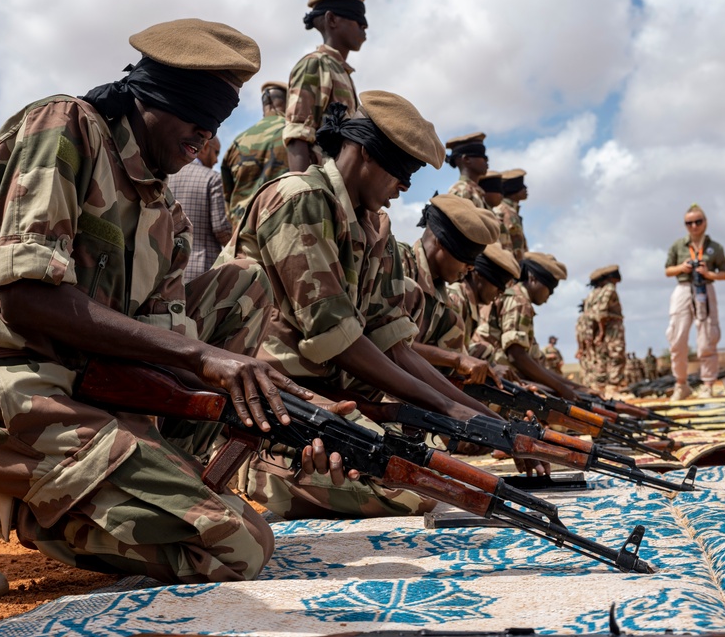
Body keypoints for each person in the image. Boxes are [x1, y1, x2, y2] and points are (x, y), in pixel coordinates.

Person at [0, 19, 350, 605]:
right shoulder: (63, 127)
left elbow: (167, 363)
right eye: (197, 121)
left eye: (213, 126)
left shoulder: (165, 208)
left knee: (242, 287)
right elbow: (25, 297)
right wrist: (202, 355)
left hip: (88, 386)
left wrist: (292, 407)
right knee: (234, 546)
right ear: (155, 99)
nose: (204, 140)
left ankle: (106, 477)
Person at [222, 91, 526, 519]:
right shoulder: (300, 201)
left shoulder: (374, 228)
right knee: (419, 489)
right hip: (276, 409)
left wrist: (489, 423)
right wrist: (446, 406)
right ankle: (259, 477)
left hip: (334, 404)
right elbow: (337, 338)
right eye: (401, 172)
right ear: (365, 152)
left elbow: (394, 345)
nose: (404, 189)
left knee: (436, 467)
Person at [398, 195, 501, 385]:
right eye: (466, 258)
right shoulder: (396, 264)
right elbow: (382, 342)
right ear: (440, 242)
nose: (470, 268)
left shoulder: (447, 310)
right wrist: (454, 359)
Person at [474, 252, 581, 401]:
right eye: (549, 288)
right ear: (533, 278)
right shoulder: (519, 301)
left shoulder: (517, 298)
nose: (549, 295)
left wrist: (576, 388)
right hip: (499, 384)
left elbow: (536, 365)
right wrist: (562, 389)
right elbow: (517, 356)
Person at [284, 0, 365, 172]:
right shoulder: (315, 65)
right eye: (356, 18)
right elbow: (298, 134)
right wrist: (303, 192)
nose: (364, 25)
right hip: (320, 184)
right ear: (332, 19)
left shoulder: (341, 71)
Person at [665, 204, 725, 400]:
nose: (694, 226)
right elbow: (667, 270)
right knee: (677, 337)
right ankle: (681, 384)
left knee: (707, 336)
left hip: (705, 288)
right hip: (683, 288)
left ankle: (708, 384)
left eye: (698, 222)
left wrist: (708, 273)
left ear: (705, 222)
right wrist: (682, 268)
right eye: (689, 223)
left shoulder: (715, 247)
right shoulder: (678, 246)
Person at [221, 81, 289, 227]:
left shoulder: (238, 142)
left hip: (243, 234)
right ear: (288, 103)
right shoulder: (296, 138)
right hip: (284, 229)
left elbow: (227, 197)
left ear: (264, 105)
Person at [167, 136, 231, 282]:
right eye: (216, 153)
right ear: (206, 147)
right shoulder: (212, 179)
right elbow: (221, 229)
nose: (216, 160)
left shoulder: (167, 177)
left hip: (166, 271)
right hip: (202, 271)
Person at [448, 242, 522, 365]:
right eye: (498, 285)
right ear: (478, 275)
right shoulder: (456, 299)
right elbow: (445, 358)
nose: (500, 292)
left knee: (485, 350)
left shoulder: (471, 306)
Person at [587, 264, 625, 395]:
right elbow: (601, 313)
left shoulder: (594, 293)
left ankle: (601, 388)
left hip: (600, 328)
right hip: (611, 327)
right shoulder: (609, 289)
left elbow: (590, 316)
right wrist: (602, 332)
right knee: (616, 356)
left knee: (602, 358)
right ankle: (612, 388)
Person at [444, 133, 489, 208]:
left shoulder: (475, 191)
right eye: (482, 156)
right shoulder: (462, 191)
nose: (486, 160)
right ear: (466, 159)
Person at [496, 168, 529, 262]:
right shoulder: (508, 212)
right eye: (521, 186)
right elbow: (516, 248)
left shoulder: (507, 209)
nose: (526, 188)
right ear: (513, 188)